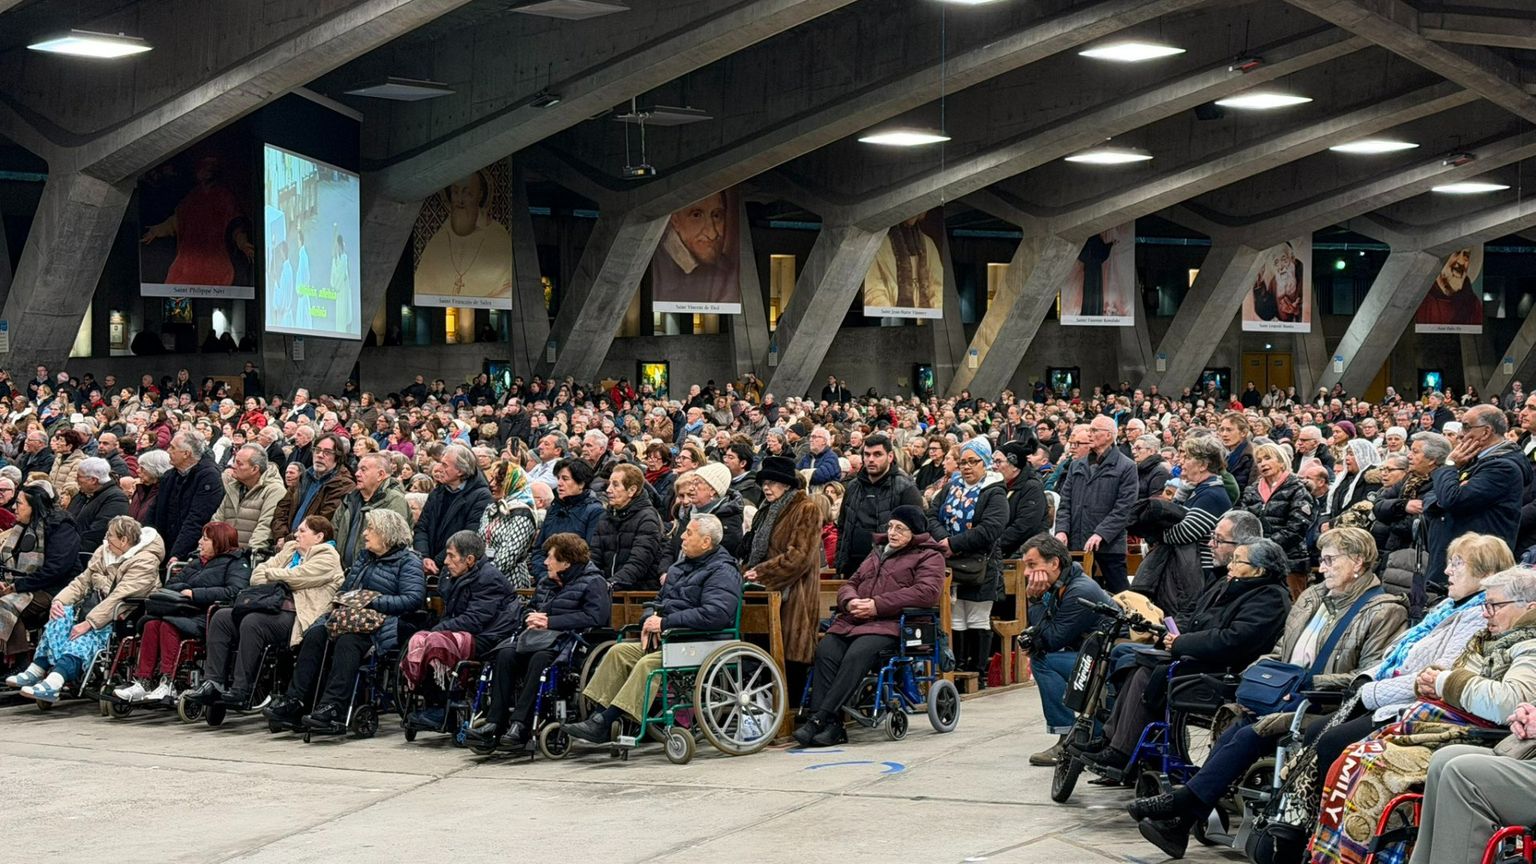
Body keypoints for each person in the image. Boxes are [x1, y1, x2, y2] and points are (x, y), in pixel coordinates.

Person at [1128, 527, 1407, 860]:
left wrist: (1309, 684)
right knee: (1239, 720)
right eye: (1321, 559)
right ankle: (1181, 820)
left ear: (1358, 563)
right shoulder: (1314, 597)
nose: (1322, 567)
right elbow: (1280, 649)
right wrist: (1260, 674)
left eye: (1331, 560)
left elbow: (1367, 677)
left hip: (1323, 705)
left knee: (1247, 733)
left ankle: (1184, 806)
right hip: (1284, 694)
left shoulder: (1384, 611)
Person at [1307, 565, 1536, 864]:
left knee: (1447, 771)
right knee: (1440, 761)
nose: (1485, 612)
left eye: (1494, 605)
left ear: (1528, 607)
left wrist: (1443, 683)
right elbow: (1403, 660)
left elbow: (1507, 700)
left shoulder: (1526, 643)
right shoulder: (1474, 630)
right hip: (1473, 727)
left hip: (1481, 730)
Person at [1081, 538, 1292, 775]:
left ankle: (1122, 751)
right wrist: (1172, 633)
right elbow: (1196, 615)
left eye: (1237, 560)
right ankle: (1112, 739)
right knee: (1134, 661)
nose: (1230, 565)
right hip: (1202, 655)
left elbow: (1233, 639)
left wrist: (1183, 642)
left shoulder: (1269, 598)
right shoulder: (1228, 583)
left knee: (1148, 674)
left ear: (1259, 570)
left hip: (1229, 668)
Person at [563, 514, 740, 744]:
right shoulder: (679, 567)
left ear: (706, 542)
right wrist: (649, 621)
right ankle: (597, 716)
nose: (683, 538)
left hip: (700, 641)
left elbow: (715, 614)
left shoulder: (722, 571)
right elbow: (655, 602)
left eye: (689, 533)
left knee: (648, 665)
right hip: (671, 639)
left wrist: (665, 623)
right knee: (619, 652)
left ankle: (606, 720)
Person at [263, 509, 425, 733]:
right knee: (315, 634)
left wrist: (370, 601)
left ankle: (333, 706)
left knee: (348, 642)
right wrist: (341, 603)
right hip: (350, 617)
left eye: (371, 529)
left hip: (383, 624)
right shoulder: (364, 558)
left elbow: (413, 599)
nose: (365, 534)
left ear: (387, 534)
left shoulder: (408, 561)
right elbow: (346, 589)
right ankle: (296, 700)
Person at [797, 504, 944, 747]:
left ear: (915, 533)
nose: (893, 533)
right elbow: (851, 582)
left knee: (857, 654)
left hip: (891, 624)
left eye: (900, 529)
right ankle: (833, 727)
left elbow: (926, 593)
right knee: (826, 651)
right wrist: (850, 600)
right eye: (890, 527)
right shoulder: (877, 551)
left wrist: (877, 605)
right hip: (854, 621)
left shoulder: (929, 555)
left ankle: (819, 719)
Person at [465, 532, 610, 750]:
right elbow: (532, 607)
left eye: (550, 558)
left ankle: (520, 725)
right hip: (536, 638)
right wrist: (530, 616)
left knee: (540, 660)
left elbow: (595, 617)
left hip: (568, 643)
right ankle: (494, 722)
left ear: (566, 562)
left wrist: (551, 622)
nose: (545, 562)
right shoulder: (546, 582)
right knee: (505, 655)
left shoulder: (594, 582)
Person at [188, 515, 343, 707]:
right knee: (222, 617)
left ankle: (241, 689)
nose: (296, 534)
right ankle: (214, 682)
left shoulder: (328, 556)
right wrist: (277, 577)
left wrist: (273, 575)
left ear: (319, 537)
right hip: (270, 606)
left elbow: (297, 577)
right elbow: (256, 575)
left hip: (297, 616)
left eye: (303, 531)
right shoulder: (290, 550)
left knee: (253, 622)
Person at [8, 515, 162, 703]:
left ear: (124, 540)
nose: (106, 539)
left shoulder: (145, 560)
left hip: (121, 614)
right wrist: (59, 601)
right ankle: (38, 667)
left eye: (111, 535)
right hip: (95, 606)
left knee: (85, 634)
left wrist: (89, 622)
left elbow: (119, 596)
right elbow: (82, 581)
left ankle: (56, 680)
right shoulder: (104, 552)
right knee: (60, 614)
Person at [113, 522, 248, 703]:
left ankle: (168, 682)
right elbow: (171, 585)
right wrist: (186, 588)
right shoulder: (195, 562)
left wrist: (196, 594)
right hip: (181, 610)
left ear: (220, 542)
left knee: (168, 625)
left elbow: (234, 591)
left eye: (205, 539)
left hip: (203, 615)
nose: (200, 542)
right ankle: (143, 681)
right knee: (152, 624)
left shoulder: (236, 563)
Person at [398, 530, 521, 728]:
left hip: (488, 635)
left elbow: (475, 619)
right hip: (465, 630)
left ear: (470, 559)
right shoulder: (452, 575)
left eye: (451, 555)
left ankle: (443, 707)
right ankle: (432, 703)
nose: (445, 561)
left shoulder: (489, 578)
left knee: (436, 643)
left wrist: (439, 629)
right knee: (418, 639)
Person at [1423, 404, 1531, 603]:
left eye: (1465, 427)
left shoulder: (1502, 467)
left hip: (1475, 572)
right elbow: (1432, 496)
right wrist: (1450, 487)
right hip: (1454, 566)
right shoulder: (1474, 461)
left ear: (1486, 432)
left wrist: (1449, 466)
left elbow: (1452, 499)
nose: (1461, 435)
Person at [929, 436, 1009, 682]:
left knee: (976, 616)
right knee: (955, 615)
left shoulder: (994, 492)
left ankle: (978, 671)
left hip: (981, 564)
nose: (966, 467)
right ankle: (959, 666)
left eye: (973, 461)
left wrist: (954, 544)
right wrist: (945, 541)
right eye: (962, 462)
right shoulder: (951, 487)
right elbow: (932, 516)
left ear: (985, 463)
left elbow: (990, 529)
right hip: (951, 562)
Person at [743, 455, 823, 694]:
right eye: (764, 483)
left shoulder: (806, 508)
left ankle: (790, 712)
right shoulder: (766, 510)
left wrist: (761, 573)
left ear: (787, 484)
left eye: (772, 482)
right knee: (761, 654)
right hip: (763, 594)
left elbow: (799, 557)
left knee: (790, 655)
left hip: (794, 594)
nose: (766, 487)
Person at [1055, 416, 1138, 593]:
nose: (1089, 434)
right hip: (1077, 542)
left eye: (1094, 431)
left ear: (1108, 435)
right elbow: (1065, 502)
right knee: (1075, 593)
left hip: (1110, 545)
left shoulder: (1126, 466)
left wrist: (1100, 533)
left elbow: (1124, 508)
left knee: (1120, 593)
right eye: (1089, 430)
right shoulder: (1076, 465)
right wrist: (1061, 530)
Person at [0, 482, 83, 657]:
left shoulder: (61, 527)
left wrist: (18, 586)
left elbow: (56, 569)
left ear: (34, 506)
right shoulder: (21, 527)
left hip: (55, 588)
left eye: (20, 503)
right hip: (23, 584)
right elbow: (5, 560)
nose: (15, 508)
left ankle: (18, 659)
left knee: (6, 604)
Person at [1238, 441, 1315, 582]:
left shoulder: (1297, 488)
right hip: (1257, 560)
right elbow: (1245, 522)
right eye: (1259, 461)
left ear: (1281, 462)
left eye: (1268, 458)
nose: (1262, 463)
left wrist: (1266, 546)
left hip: (1290, 561)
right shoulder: (1251, 490)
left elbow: (1297, 527)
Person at [412, 443, 492, 576]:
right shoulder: (437, 492)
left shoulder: (481, 496)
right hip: (428, 564)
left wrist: (437, 561)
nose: (439, 469)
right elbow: (422, 527)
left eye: (445, 465)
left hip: (457, 570)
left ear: (460, 471)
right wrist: (424, 557)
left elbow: (467, 536)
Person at [271, 432, 355, 549]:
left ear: (337, 457)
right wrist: (281, 536)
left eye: (327, 452)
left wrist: (288, 540)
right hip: (286, 544)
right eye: (317, 450)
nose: (320, 455)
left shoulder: (343, 485)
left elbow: (322, 522)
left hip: (311, 549)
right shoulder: (304, 477)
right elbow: (282, 509)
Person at [152, 431, 226, 564]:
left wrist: (177, 554)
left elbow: (197, 519)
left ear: (186, 454)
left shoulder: (209, 477)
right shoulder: (170, 475)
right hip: (163, 544)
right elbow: (155, 510)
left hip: (187, 551)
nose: (168, 451)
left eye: (173, 448)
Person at [530, 458, 605, 584]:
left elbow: (591, 554)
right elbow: (539, 550)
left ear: (581, 483)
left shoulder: (594, 511)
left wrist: (564, 577)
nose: (559, 483)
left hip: (577, 583)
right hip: (546, 581)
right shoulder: (554, 508)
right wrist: (544, 576)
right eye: (558, 478)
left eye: (565, 479)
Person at [590, 462, 664, 591]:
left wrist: (610, 584)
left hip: (636, 594)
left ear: (632, 490)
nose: (608, 490)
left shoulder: (647, 518)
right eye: (609, 484)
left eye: (615, 485)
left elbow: (638, 563)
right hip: (607, 590)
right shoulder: (605, 517)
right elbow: (594, 557)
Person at [331, 451, 409, 569]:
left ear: (380, 475)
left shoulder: (394, 500)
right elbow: (334, 529)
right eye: (358, 469)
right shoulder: (351, 498)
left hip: (373, 574)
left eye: (363, 469)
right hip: (342, 572)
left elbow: (391, 544)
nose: (357, 474)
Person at [212, 444, 286, 559]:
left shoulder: (274, 491)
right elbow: (216, 522)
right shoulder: (234, 487)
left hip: (247, 561)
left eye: (239, 463)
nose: (232, 466)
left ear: (255, 469)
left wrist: (247, 558)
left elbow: (265, 529)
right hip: (223, 557)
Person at [665, 462, 745, 563]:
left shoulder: (728, 522)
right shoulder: (690, 511)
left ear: (713, 490)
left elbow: (716, 564)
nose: (691, 488)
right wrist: (664, 570)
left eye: (697, 483)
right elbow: (674, 544)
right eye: (692, 482)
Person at [478, 461, 539, 589]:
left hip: (511, 580)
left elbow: (509, 555)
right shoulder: (492, 508)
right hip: (483, 576)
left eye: (499, 481)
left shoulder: (522, 513)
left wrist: (481, 576)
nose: (492, 485)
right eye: (492, 479)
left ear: (512, 483)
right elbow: (479, 542)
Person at [993, 440, 1050, 558]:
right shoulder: (998, 486)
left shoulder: (1032, 488)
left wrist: (993, 544)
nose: (994, 466)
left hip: (1025, 552)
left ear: (1014, 466)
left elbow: (1024, 527)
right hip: (1000, 549)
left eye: (998, 462)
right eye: (993, 461)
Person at [66, 456, 129, 553]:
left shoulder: (116, 499)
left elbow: (97, 534)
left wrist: (69, 549)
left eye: (79, 476)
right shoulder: (83, 494)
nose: (76, 480)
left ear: (93, 480)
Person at [1324, 437, 1383, 529]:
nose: (1346, 458)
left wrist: (1332, 524)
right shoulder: (1343, 479)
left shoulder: (1373, 481)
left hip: (1355, 532)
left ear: (1363, 457)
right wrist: (1323, 523)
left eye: (1352, 454)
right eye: (1347, 454)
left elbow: (1364, 510)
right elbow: (1331, 509)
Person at [47, 428, 88, 504]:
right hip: (50, 498)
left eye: (61, 440)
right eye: (58, 440)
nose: (57, 443)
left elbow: (68, 488)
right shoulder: (58, 458)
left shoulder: (78, 462)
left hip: (62, 501)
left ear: (69, 446)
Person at [1218, 412, 1255, 489]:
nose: (1224, 434)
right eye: (1222, 430)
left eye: (1229, 430)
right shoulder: (1220, 454)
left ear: (1243, 433)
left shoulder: (1254, 456)